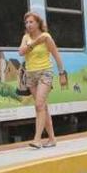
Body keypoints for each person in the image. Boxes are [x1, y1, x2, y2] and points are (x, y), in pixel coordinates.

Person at [18, 12, 67, 149]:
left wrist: (62, 72)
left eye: (31, 22)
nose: (28, 25)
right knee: (43, 107)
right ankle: (52, 138)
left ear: (38, 23)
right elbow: (21, 52)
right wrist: (34, 43)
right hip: (31, 75)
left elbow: (56, 55)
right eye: (26, 22)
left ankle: (37, 139)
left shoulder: (46, 38)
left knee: (39, 105)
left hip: (45, 73)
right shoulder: (26, 37)